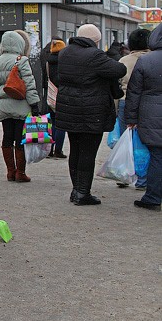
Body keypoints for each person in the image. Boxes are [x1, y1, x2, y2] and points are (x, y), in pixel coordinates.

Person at [54, 24, 126, 206]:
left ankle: (75, 190)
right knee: (88, 152)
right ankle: (83, 193)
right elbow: (119, 70)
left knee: (76, 150)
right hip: (91, 110)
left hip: (69, 109)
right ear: (95, 40)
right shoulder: (95, 55)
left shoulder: (65, 53)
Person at [0, 31, 40, 183]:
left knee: (7, 137)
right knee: (20, 139)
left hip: (4, 105)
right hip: (21, 105)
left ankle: (10, 172)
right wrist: (34, 104)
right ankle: (21, 173)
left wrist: (3, 91)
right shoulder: (22, 60)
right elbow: (29, 83)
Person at [124, 23, 162, 212]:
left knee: (157, 156)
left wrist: (131, 118)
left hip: (150, 115)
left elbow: (134, 91)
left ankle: (153, 196)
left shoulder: (146, 61)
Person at [117, 28, 151, 190]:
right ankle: (143, 179)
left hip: (125, 103)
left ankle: (124, 175)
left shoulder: (124, 60)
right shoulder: (153, 59)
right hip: (148, 104)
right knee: (146, 143)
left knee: (127, 141)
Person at [44, 38, 68, 158]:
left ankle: (49, 150)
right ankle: (58, 150)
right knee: (61, 125)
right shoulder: (64, 62)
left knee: (52, 123)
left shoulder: (48, 62)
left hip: (50, 96)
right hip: (62, 95)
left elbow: (45, 79)